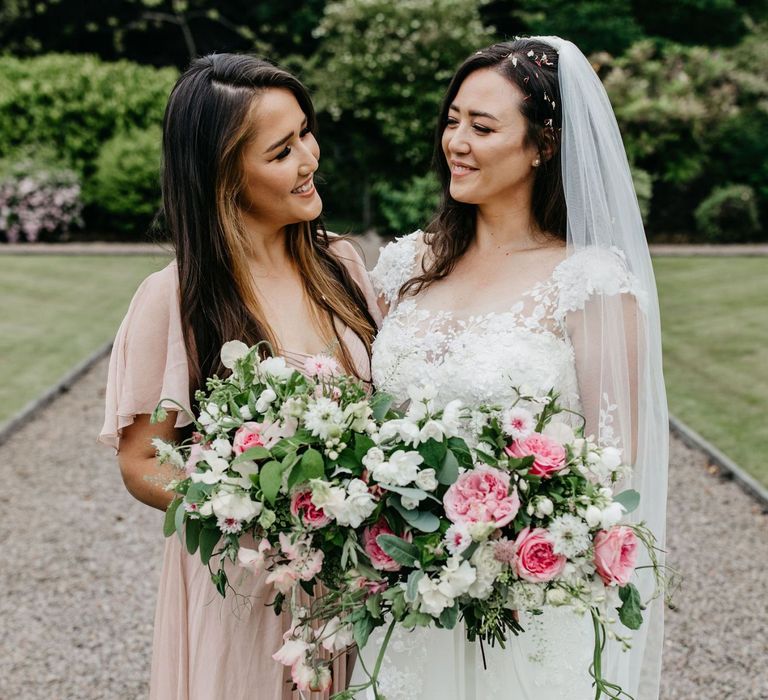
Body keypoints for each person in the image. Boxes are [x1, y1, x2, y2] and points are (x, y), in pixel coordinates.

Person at [357, 37, 668, 699]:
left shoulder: (591, 283)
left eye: (483, 126)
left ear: (543, 146)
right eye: (452, 120)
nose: (456, 141)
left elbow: (613, 470)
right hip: (404, 600)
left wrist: (503, 548)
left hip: (524, 609)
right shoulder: (406, 266)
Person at [99, 54, 380, 699]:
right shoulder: (173, 298)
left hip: (357, 579)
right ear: (224, 177)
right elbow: (142, 460)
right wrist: (261, 507)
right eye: (282, 151)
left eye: (306, 133)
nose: (310, 159)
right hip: (250, 588)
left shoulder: (341, 265)